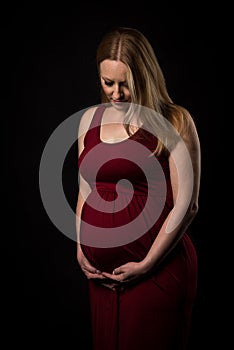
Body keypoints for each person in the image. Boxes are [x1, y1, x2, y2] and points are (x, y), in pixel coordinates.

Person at [76, 26, 201, 350]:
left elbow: (187, 205)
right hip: (102, 279)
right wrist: (81, 246)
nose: (115, 94)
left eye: (125, 84)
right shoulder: (90, 119)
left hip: (157, 272)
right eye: (108, 83)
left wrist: (146, 264)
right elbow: (86, 189)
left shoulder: (175, 122)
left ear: (144, 76)